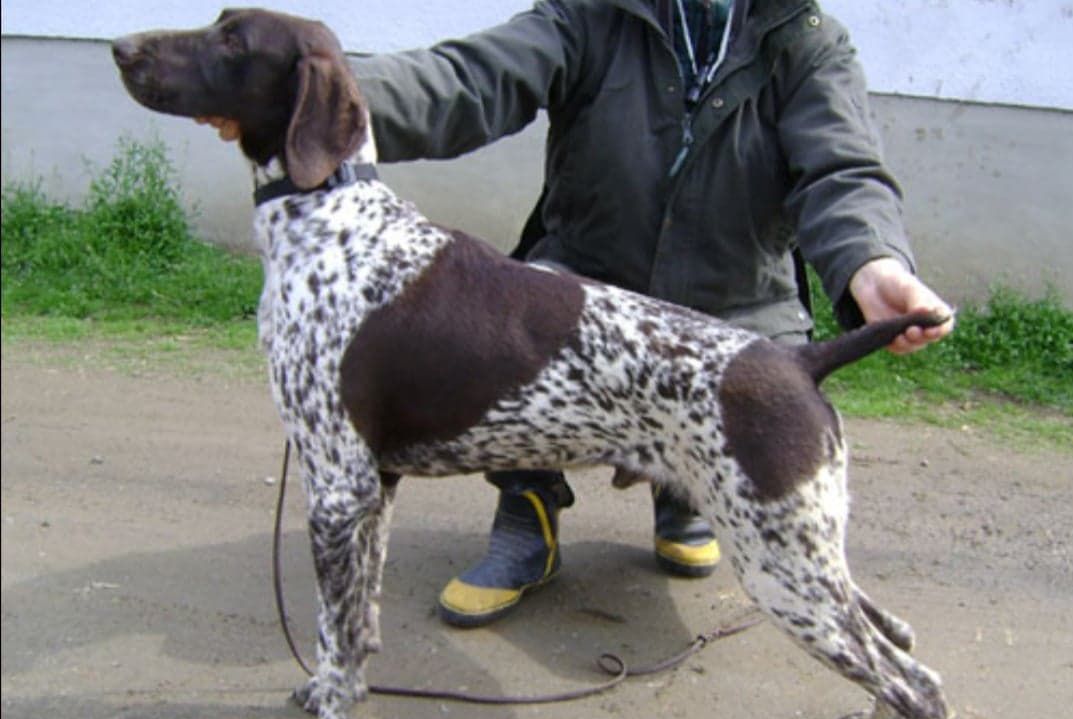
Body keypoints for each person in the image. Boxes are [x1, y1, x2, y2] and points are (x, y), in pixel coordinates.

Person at [207, 0, 954, 628]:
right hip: (587, 274)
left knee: (742, 398)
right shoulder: (594, 11)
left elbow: (841, 169)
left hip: (733, 303)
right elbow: (467, 80)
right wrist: (317, 97)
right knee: (501, 335)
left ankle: (686, 494)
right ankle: (527, 511)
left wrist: (871, 262)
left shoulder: (803, 39)